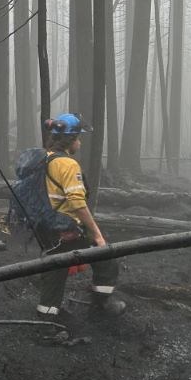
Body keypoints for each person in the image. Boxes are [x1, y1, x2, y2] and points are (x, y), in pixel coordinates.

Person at [35, 113, 126, 323]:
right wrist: (97, 234)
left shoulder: (45, 158)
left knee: (54, 272)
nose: (80, 142)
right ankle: (102, 304)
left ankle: (46, 317)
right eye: (78, 137)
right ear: (70, 139)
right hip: (63, 227)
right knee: (105, 257)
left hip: (45, 226)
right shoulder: (67, 165)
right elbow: (77, 203)